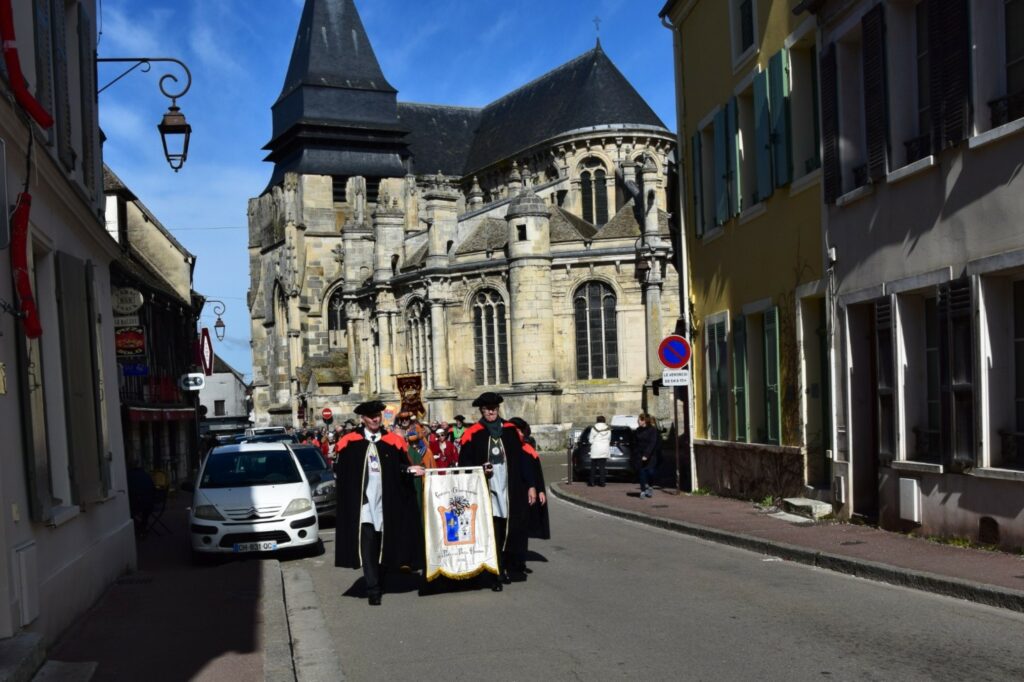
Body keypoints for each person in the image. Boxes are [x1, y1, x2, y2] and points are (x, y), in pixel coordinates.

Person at [333, 400, 425, 605]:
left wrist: (409, 470)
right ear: (363, 419)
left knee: (383, 543)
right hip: (364, 505)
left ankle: (380, 578)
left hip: (386, 503)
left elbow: (401, 466)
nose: (375, 419)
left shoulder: (393, 441)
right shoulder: (351, 442)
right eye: (371, 416)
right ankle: (373, 588)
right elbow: (343, 475)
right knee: (367, 544)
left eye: (377, 415)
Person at [458, 392, 538, 590]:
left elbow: (523, 461)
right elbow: (463, 463)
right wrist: (479, 467)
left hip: (510, 488)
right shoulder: (473, 433)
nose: (491, 412)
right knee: (492, 532)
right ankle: (496, 574)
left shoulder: (511, 431)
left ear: (498, 409)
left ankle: (507, 566)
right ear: (482, 411)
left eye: (493, 408)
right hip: (486, 489)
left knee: (510, 530)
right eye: (487, 409)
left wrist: (531, 485)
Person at [508, 417, 549, 575]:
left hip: (526, 495)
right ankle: (510, 562)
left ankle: (519, 562)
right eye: (515, 430)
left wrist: (540, 490)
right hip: (512, 494)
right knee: (512, 530)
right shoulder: (510, 449)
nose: (518, 433)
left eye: (519, 430)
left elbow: (535, 472)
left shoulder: (528, 448)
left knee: (522, 530)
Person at [634, 413, 661, 498]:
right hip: (639, 455)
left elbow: (652, 443)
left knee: (650, 472)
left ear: (644, 420)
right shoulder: (637, 430)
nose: (638, 421)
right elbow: (635, 442)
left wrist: (646, 454)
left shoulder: (652, 430)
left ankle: (650, 485)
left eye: (640, 419)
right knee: (642, 473)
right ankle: (642, 490)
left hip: (650, 456)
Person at [587, 415, 612, 487]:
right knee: (602, 467)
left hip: (596, 448)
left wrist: (594, 442)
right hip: (604, 448)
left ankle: (592, 482)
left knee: (593, 466)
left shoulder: (594, 428)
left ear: (597, 420)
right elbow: (609, 439)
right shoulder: (608, 429)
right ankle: (602, 482)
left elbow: (591, 439)